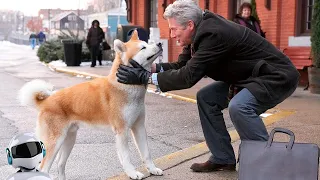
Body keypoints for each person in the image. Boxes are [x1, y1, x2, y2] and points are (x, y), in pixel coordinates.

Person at [116, 0, 299, 173]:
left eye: (173, 29)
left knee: (240, 107)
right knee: (206, 98)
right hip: (249, 77)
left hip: (275, 76)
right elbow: (182, 66)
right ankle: (223, 158)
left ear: (189, 25)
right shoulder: (198, 31)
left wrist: (145, 77)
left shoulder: (213, 34)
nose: (171, 35)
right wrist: (150, 67)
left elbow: (188, 77)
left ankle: (269, 163)